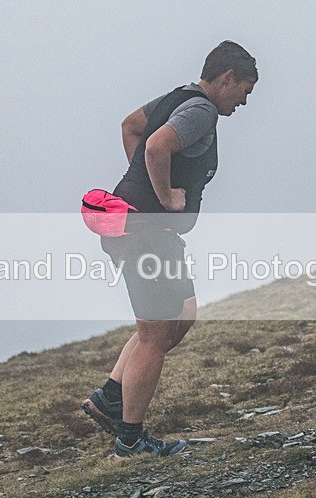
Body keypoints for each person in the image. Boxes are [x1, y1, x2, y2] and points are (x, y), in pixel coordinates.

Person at [83, 41, 258, 457]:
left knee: (184, 311)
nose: (245, 101)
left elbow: (130, 126)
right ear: (228, 78)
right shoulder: (200, 110)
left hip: (146, 232)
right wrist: (162, 197)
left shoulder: (178, 98)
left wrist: (144, 186)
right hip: (143, 233)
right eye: (245, 91)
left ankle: (111, 395)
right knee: (154, 336)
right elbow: (155, 145)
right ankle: (130, 439)